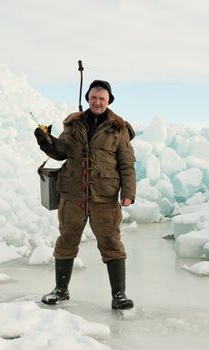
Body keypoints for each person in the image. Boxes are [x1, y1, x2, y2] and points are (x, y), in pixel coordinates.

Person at [34, 80, 136, 310]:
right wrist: (46, 141)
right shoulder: (73, 124)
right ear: (88, 99)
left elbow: (127, 164)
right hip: (73, 193)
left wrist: (128, 193)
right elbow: (62, 152)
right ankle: (61, 290)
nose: (97, 102)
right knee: (67, 239)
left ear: (109, 100)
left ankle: (119, 295)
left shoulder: (118, 128)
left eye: (102, 98)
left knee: (111, 242)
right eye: (93, 97)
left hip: (105, 195)